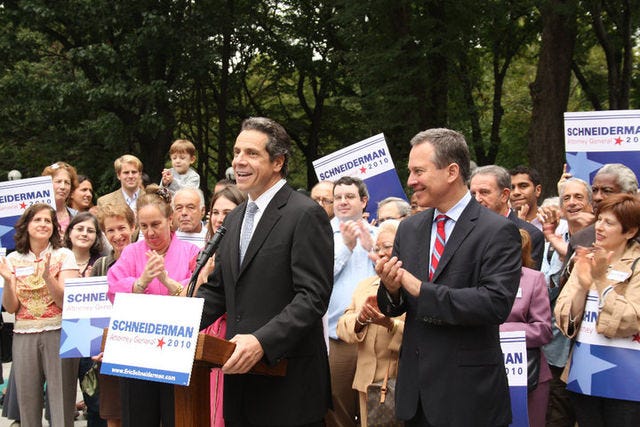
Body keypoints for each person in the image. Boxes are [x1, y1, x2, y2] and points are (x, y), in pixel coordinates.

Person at [375, 128, 521, 426]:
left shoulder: (496, 231)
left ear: (452, 171)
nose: (411, 180)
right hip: (416, 398)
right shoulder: (409, 228)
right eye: (410, 171)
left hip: (468, 396)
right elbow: (397, 305)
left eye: (419, 171)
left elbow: (495, 304)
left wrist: (420, 290)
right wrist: (391, 289)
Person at [197, 117, 333, 426]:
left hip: (289, 388)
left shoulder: (305, 214)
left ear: (278, 161)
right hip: (240, 384)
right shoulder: (235, 218)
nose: (239, 162)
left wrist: (262, 341)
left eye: (251, 153)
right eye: (236, 152)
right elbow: (219, 291)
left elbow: (312, 297)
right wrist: (176, 323)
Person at [107, 185, 201, 426]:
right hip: (137, 349)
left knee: (176, 416)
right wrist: (141, 282)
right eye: (144, 226)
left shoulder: (192, 251)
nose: (150, 233)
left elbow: (199, 290)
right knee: (138, 417)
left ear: (170, 220)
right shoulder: (130, 252)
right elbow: (112, 288)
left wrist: (166, 280)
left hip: (176, 348)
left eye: (156, 224)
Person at [555, 193, 640, 426]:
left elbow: (632, 318)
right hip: (585, 371)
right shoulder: (584, 258)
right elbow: (563, 317)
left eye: (609, 223)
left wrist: (601, 281)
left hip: (628, 376)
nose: (599, 228)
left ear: (630, 232)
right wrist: (583, 287)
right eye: (599, 220)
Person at [0, 203, 80, 427]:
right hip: (24, 334)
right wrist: (7, 281)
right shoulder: (12, 259)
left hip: (58, 333)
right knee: (27, 401)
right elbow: (11, 307)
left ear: (54, 227)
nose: (43, 224)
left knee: (61, 400)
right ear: (26, 225)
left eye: (48, 221)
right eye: (38, 220)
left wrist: (47, 276)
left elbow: (65, 302)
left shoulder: (64, 255)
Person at [336, 220, 405, 427]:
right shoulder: (365, 286)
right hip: (366, 382)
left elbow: (420, 336)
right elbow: (342, 327)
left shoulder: (413, 287)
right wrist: (360, 319)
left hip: (398, 381)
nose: (381, 253)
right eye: (377, 248)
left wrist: (389, 323)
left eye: (387, 247)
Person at [327, 176, 377, 427]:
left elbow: (394, 277)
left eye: (349, 196)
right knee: (337, 409)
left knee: (377, 408)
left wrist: (372, 250)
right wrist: (346, 247)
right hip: (338, 338)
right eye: (338, 197)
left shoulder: (380, 234)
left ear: (364, 201)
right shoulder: (321, 233)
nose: (343, 202)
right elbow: (319, 279)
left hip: (377, 338)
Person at [197, 185, 247, 427]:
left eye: (226, 213)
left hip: (231, 338)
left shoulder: (244, 252)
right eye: (215, 213)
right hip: (205, 334)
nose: (219, 219)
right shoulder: (205, 253)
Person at [500, 229, 552, 427]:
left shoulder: (533, 279)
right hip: (484, 371)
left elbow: (543, 330)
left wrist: (499, 331)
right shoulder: (474, 277)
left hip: (529, 374)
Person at [92, 203, 137, 427]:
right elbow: (91, 313)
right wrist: (94, 344)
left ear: (133, 226)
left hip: (141, 347)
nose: (117, 235)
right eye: (110, 230)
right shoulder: (100, 266)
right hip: (109, 351)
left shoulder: (147, 259)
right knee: (114, 414)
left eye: (122, 228)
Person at [63, 212, 106, 427]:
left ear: (97, 236)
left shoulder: (102, 263)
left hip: (91, 339)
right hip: (61, 338)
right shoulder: (58, 259)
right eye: (79, 228)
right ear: (69, 232)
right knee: (60, 402)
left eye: (90, 230)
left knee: (96, 402)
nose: (84, 234)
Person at [470, 165, 545, 270]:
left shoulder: (531, 234)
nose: (477, 199)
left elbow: (527, 281)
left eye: (484, 192)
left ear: (504, 195)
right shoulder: (465, 229)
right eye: (473, 194)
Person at [42, 161, 79, 234]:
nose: (63, 187)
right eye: (58, 181)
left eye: (67, 183)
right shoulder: (36, 215)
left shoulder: (76, 216)